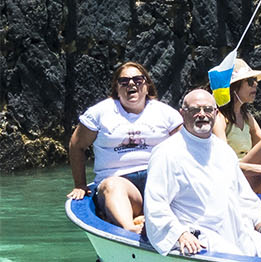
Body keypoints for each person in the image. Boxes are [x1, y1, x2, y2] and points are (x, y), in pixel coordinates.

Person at [143, 89, 261, 258]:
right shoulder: (166, 153)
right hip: (200, 237)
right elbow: (156, 206)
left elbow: (244, 197)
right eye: (195, 110)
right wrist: (179, 234)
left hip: (237, 230)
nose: (202, 115)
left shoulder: (224, 151)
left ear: (215, 113)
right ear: (182, 114)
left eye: (208, 109)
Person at [66, 62, 183, 233]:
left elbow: (187, 147)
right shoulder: (99, 113)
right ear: (116, 87)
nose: (131, 84)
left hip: (158, 180)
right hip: (119, 182)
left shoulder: (166, 113)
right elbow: (76, 146)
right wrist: (80, 185)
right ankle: (131, 228)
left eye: (138, 79)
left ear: (147, 85)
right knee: (113, 185)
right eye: (124, 81)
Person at [214, 58, 261, 193]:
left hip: (246, 177)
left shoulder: (246, 116)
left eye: (255, 80)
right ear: (234, 87)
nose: (255, 85)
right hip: (229, 177)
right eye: (250, 82)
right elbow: (222, 161)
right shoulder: (219, 119)